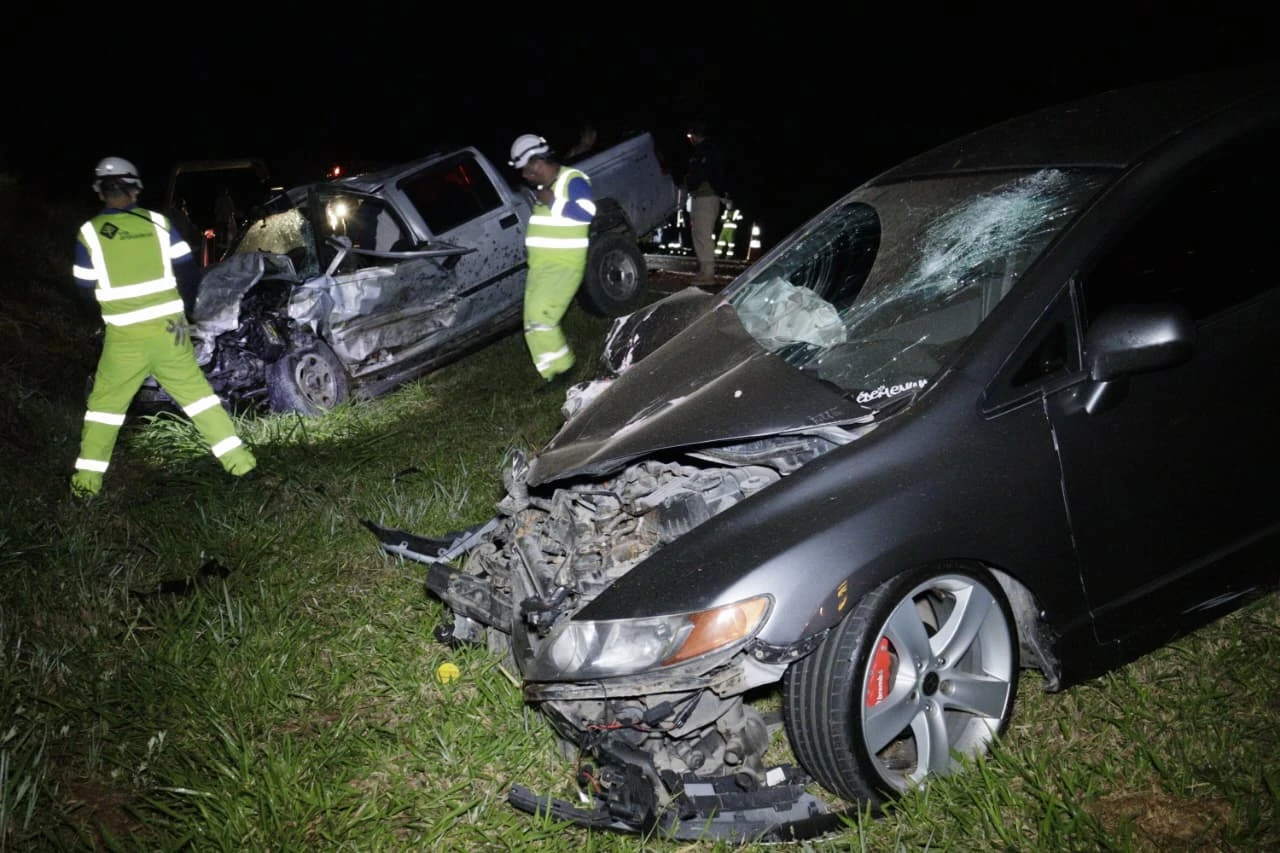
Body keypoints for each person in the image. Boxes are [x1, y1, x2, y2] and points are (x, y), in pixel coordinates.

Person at [70, 156, 257, 499]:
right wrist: (183, 313)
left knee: (105, 409)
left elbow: (84, 287)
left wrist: (100, 318)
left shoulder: (90, 234)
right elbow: (188, 271)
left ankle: (86, 486)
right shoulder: (158, 224)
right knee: (198, 398)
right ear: (136, 188)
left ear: (100, 192)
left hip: (124, 339)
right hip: (170, 332)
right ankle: (240, 463)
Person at [508, 133, 596, 384]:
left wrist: (554, 203)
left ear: (536, 162)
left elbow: (587, 212)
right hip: (541, 267)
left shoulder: (572, 180)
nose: (524, 175)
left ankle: (566, 369)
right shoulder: (543, 189)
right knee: (532, 322)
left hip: (563, 265)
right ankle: (552, 373)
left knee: (541, 317)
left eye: (525, 169)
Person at [682, 121, 729, 286]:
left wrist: (720, 193)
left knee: (703, 235)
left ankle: (708, 273)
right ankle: (704, 271)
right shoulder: (702, 151)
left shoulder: (707, 151)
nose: (690, 139)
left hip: (706, 198)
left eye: (691, 135)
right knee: (699, 235)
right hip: (699, 197)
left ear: (695, 135)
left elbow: (710, 174)